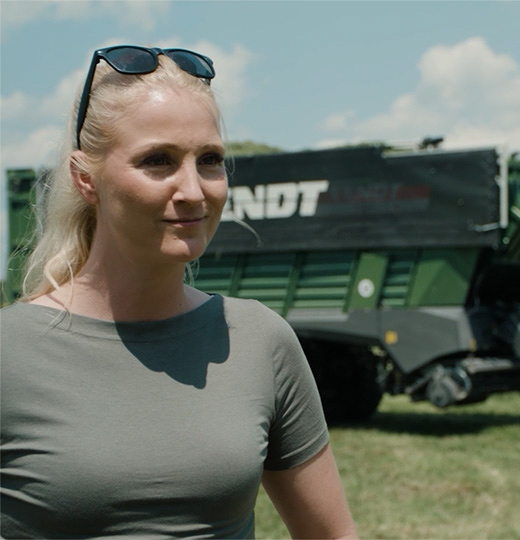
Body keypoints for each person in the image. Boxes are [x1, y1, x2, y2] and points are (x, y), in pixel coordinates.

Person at [0, 45, 357, 539]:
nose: (193, 190)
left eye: (209, 160)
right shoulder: (10, 352)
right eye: (158, 160)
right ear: (86, 178)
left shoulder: (260, 340)